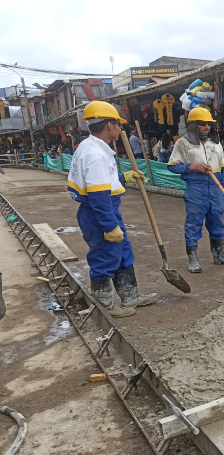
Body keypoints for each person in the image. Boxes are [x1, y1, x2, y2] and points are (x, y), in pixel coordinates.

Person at [67, 101, 157, 318]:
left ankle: (130, 295)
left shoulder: (92, 148)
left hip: (103, 209)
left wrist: (121, 178)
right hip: (99, 213)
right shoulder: (95, 155)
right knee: (105, 257)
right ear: (109, 125)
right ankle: (105, 305)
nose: (121, 129)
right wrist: (109, 225)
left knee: (123, 252)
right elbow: (98, 195)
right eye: (119, 124)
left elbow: (100, 183)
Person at [168, 107, 224, 273]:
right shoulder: (183, 143)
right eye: (202, 124)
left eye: (209, 124)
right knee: (194, 223)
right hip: (196, 189)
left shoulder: (216, 143)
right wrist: (192, 167)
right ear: (193, 125)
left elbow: (223, 169)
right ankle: (193, 260)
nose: (206, 126)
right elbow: (172, 167)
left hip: (216, 188)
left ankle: (220, 255)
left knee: (217, 221)